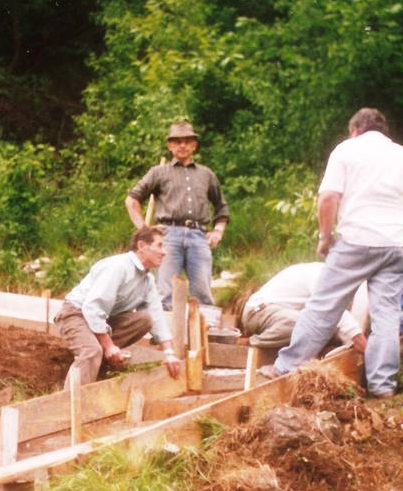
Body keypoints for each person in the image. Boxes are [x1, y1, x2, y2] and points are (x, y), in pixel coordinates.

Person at [262, 108, 403, 398]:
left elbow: (328, 198)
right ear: (384, 131)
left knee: (324, 305)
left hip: (356, 240)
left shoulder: (346, 150)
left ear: (354, 130)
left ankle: (286, 367)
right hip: (397, 246)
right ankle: (383, 386)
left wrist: (325, 237)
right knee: (387, 316)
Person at [55, 226, 182, 388]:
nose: (165, 252)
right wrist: (108, 345)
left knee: (145, 319)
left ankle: (101, 364)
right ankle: (70, 404)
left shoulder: (147, 280)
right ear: (142, 246)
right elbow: (93, 308)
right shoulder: (119, 267)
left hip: (101, 320)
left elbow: (156, 315)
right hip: (75, 314)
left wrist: (169, 353)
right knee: (93, 351)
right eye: (159, 245)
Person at [125, 121, 230, 310]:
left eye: (187, 141)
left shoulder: (206, 174)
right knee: (165, 294)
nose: (182, 145)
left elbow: (221, 207)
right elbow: (132, 200)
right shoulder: (158, 172)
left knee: (203, 294)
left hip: (199, 237)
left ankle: (205, 337)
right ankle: (165, 338)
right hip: (167, 237)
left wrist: (218, 231)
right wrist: (144, 229)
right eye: (177, 141)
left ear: (194, 145)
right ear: (170, 145)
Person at [242, 262, 369, 352]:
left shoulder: (344, 282)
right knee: (306, 324)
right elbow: (331, 309)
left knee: (327, 328)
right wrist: (357, 338)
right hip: (258, 312)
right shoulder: (322, 275)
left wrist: (353, 343)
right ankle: (251, 343)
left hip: (281, 315)